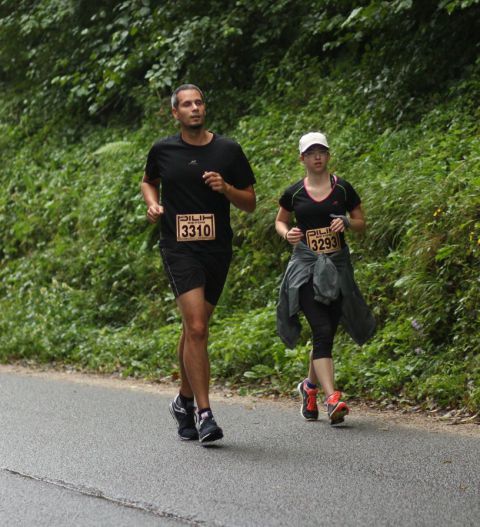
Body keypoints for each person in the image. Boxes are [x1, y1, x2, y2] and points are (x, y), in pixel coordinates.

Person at [141, 84, 256, 443]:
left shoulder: (228, 150)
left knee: (196, 328)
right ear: (175, 113)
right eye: (187, 104)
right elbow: (148, 182)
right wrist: (153, 204)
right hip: (178, 248)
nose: (194, 108)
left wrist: (226, 188)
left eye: (199, 102)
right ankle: (205, 414)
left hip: (217, 248)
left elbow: (250, 202)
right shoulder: (163, 149)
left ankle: (183, 400)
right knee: (196, 327)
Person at [275, 132, 375, 425]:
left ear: (328, 155)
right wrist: (287, 233)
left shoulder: (343, 189)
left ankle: (309, 387)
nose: (317, 157)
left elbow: (361, 223)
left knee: (327, 332)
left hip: (338, 268)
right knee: (320, 327)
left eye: (322, 151)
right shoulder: (294, 193)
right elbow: (281, 220)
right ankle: (332, 398)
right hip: (306, 269)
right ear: (302, 158)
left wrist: (346, 222)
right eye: (311, 152)